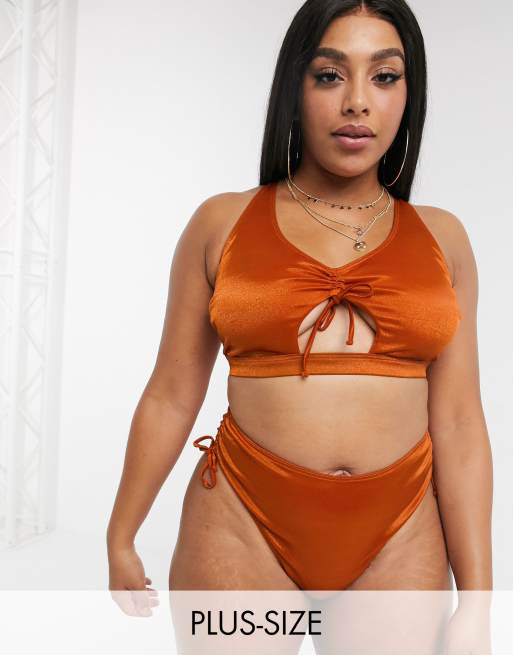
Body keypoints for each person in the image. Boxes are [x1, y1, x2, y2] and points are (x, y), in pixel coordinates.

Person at [107, 0, 492, 604]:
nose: (357, 102)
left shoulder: (444, 238)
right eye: (330, 75)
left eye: (384, 76)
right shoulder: (220, 223)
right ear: (295, 85)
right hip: (240, 523)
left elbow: (461, 423)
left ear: (408, 93)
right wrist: (121, 535)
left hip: (400, 534)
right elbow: (172, 394)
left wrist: (478, 601)